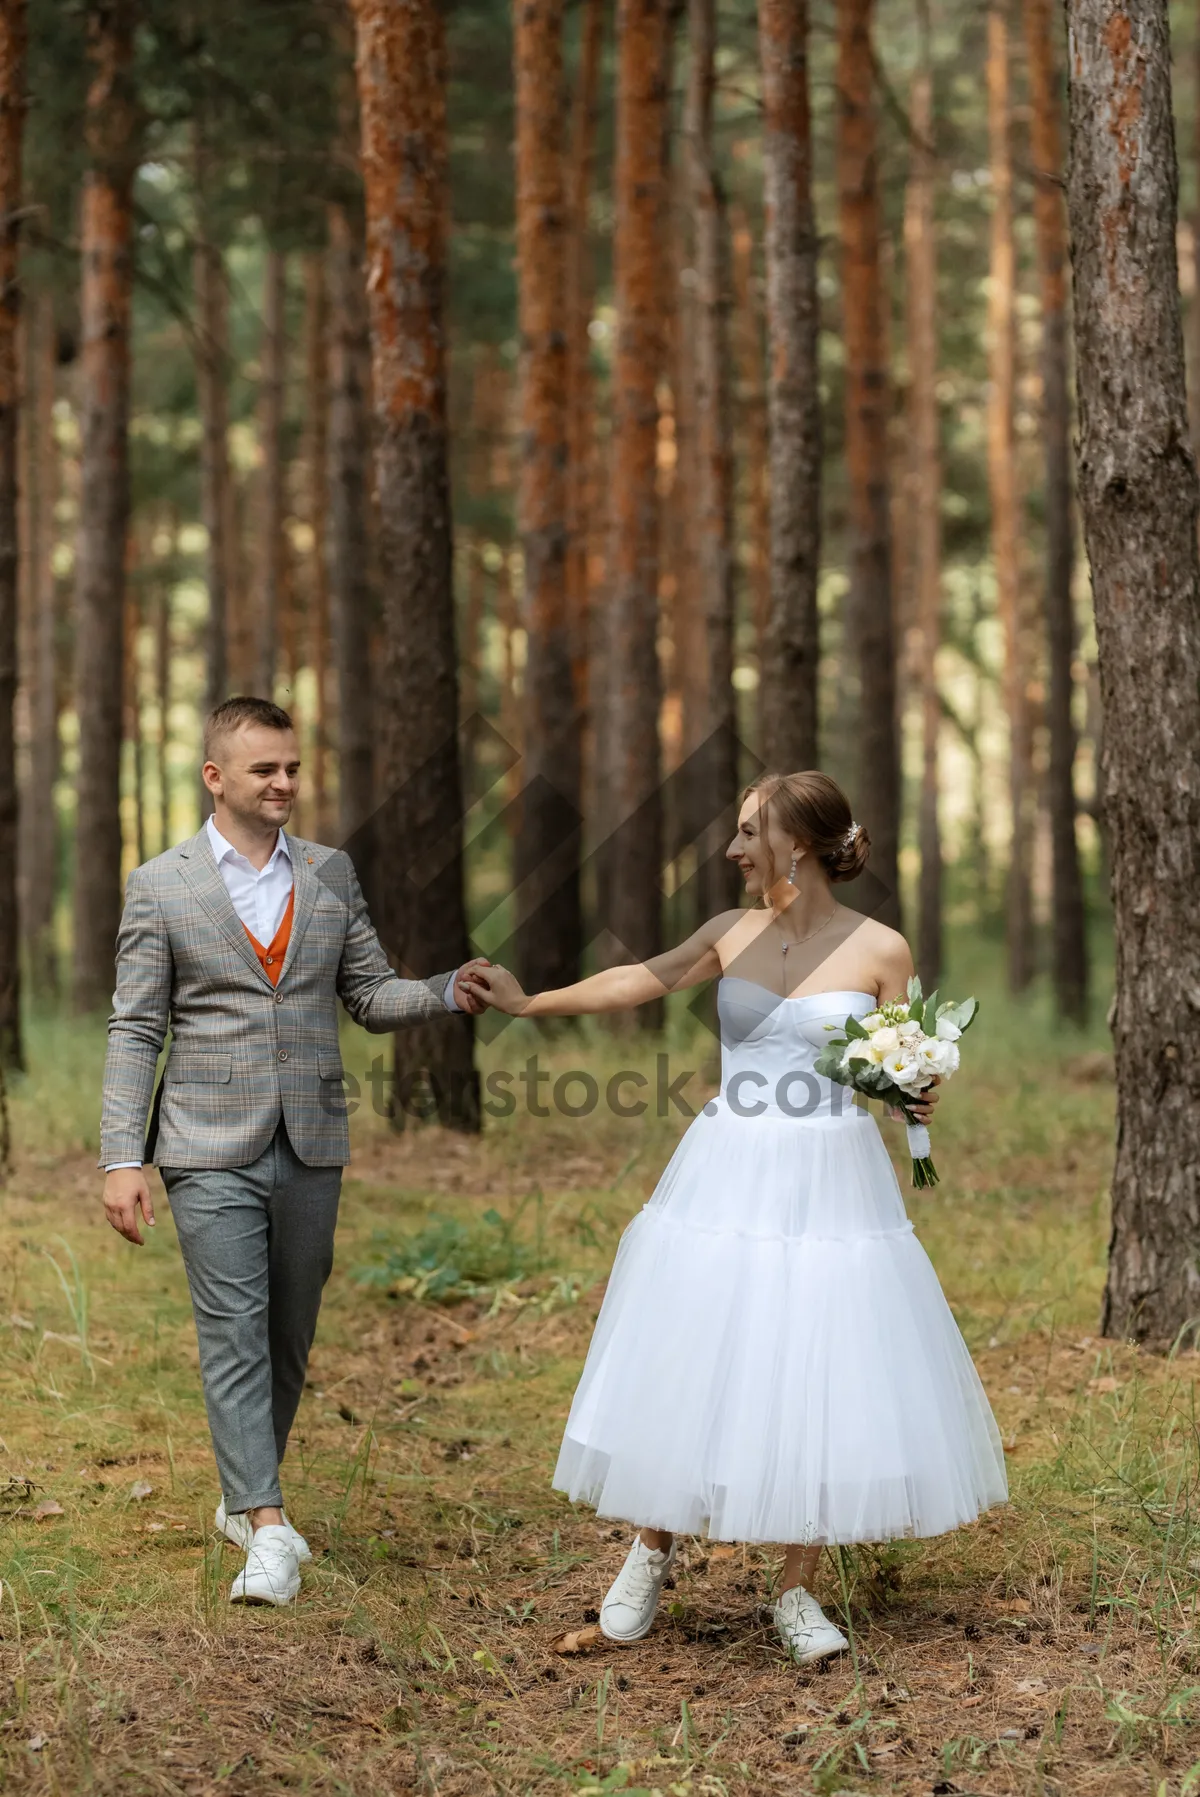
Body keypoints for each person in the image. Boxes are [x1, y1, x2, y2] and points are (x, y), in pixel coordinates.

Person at [461, 770, 1008, 1664]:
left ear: (796, 842)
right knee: (697, 1342)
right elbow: (639, 979)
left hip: (831, 1172)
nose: (732, 848)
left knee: (823, 1356)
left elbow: (902, 1066)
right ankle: (651, 1546)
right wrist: (529, 1002)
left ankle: (796, 1584)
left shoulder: (881, 948)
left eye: (748, 830)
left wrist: (918, 1094)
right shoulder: (729, 931)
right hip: (729, 1164)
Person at [99, 696, 488, 1607]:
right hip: (204, 1144)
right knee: (231, 1327)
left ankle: (243, 1495)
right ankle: (267, 1527)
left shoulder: (328, 874)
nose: (283, 783)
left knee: (288, 1331)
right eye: (264, 768)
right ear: (216, 777)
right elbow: (133, 1029)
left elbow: (369, 991)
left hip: (311, 1141)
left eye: (292, 767)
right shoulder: (162, 884)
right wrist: (124, 1155)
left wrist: (446, 991)